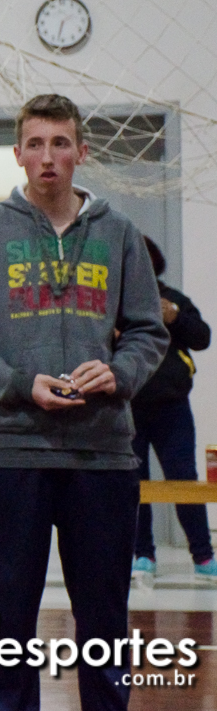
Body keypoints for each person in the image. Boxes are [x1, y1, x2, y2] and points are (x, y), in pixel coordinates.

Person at [0, 93, 168, 710]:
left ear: (81, 152)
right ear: (17, 154)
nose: (48, 157)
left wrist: (118, 374)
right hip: (12, 452)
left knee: (104, 632)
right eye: (35, 144)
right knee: (2, 631)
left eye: (60, 143)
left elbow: (149, 331)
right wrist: (18, 383)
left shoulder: (119, 235)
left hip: (103, 457)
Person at [130, 236, 214, 586]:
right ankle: (143, 555)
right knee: (134, 486)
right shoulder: (116, 302)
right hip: (127, 408)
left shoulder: (174, 300)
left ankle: (204, 556)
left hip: (172, 408)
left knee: (183, 480)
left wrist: (175, 317)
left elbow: (202, 337)